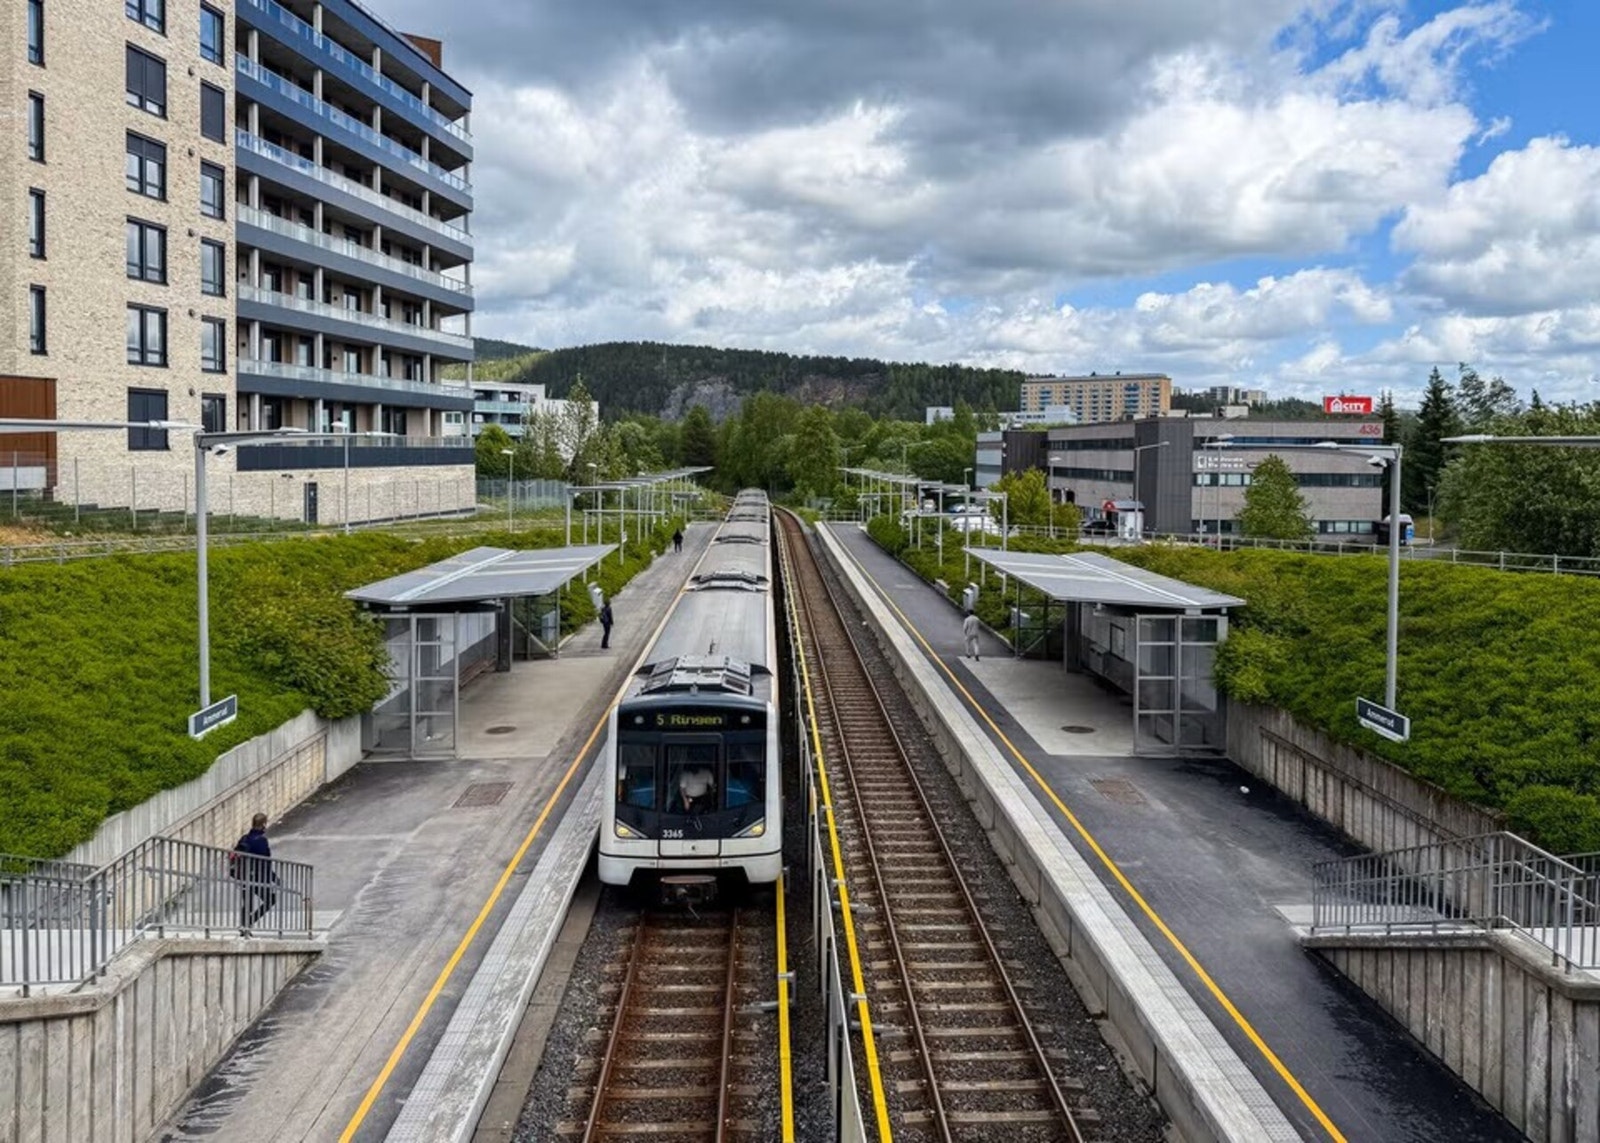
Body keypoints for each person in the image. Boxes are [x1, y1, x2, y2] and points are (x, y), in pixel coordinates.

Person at [231, 813, 277, 934]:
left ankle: (244, 927)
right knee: (270, 899)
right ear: (264, 824)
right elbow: (265, 861)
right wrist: (274, 878)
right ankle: (248, 923)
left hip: (244, 875)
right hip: (258, 877)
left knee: (247, 902)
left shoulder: (244, 838)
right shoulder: (261, 841)